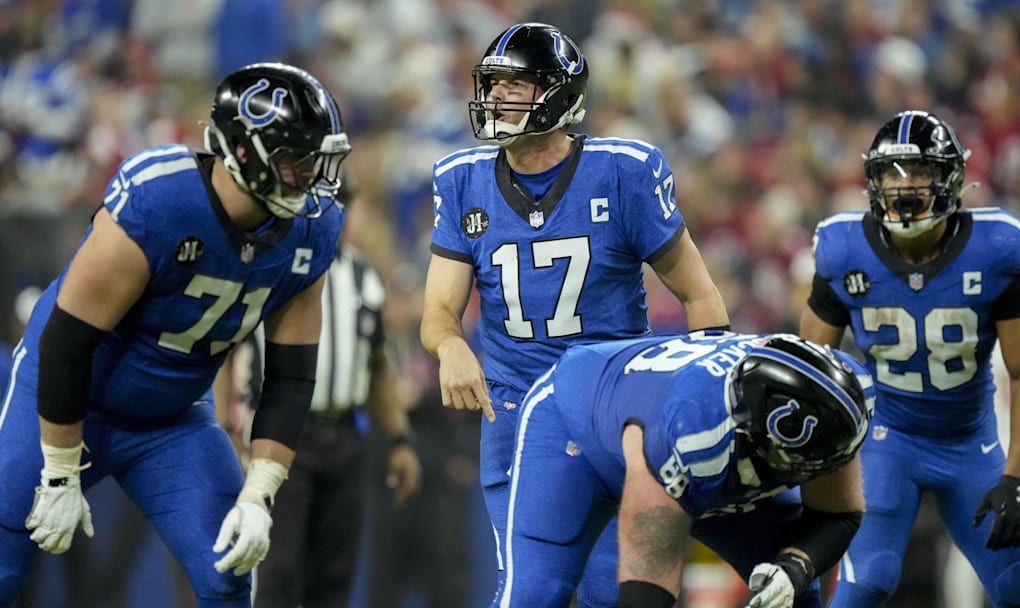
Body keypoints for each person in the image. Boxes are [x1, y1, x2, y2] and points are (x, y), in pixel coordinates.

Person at [0, 62, 351, 606]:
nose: (311, 178)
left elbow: (292, 374)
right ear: (241, 152)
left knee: (228, 569)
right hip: (70, 397)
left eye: (315, 161)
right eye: (295, 160)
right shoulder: (159, 200)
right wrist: (60, 469)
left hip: (171, 419)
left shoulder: (313, 231)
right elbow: (67, 342)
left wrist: (260, 490)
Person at [418, 21, 730, 607]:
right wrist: (452, 346)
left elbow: (701, 297)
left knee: (611, 596)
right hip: (515, 412)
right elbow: (437, 309)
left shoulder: (624, 171)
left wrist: (703, 394)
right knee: (532, 592)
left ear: (558, 94)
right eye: (494, 84)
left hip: (610, 412)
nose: (498, 98)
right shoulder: (462, 180)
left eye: (517, 85)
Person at [800, 110, 1020, 607]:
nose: (904, 186)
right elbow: (812, 370)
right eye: (891, 174)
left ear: (952, 180)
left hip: (969, 441)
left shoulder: (995, 248)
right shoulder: (843, 248)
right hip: (888, 439)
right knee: (864, 583)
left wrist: (1017, 477)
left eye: (919, 171)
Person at [499, 330, 873, 608]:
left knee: (791, 597)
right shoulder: (694, 437)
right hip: (576, 422)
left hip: (694, 449)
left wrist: (796, 566)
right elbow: (645, 591)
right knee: (536, 594)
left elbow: (837, 515)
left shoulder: (840, 394)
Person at [219, 177, 424, 608]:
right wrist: (224, 426)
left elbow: (378, 365)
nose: (339, 216)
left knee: (335, 575)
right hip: (281, 437)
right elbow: (227, 349)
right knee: (277, 568)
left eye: (345, 205)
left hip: (345, 439)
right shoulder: (275, 262)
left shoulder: (365, 276)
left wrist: (401, 439)